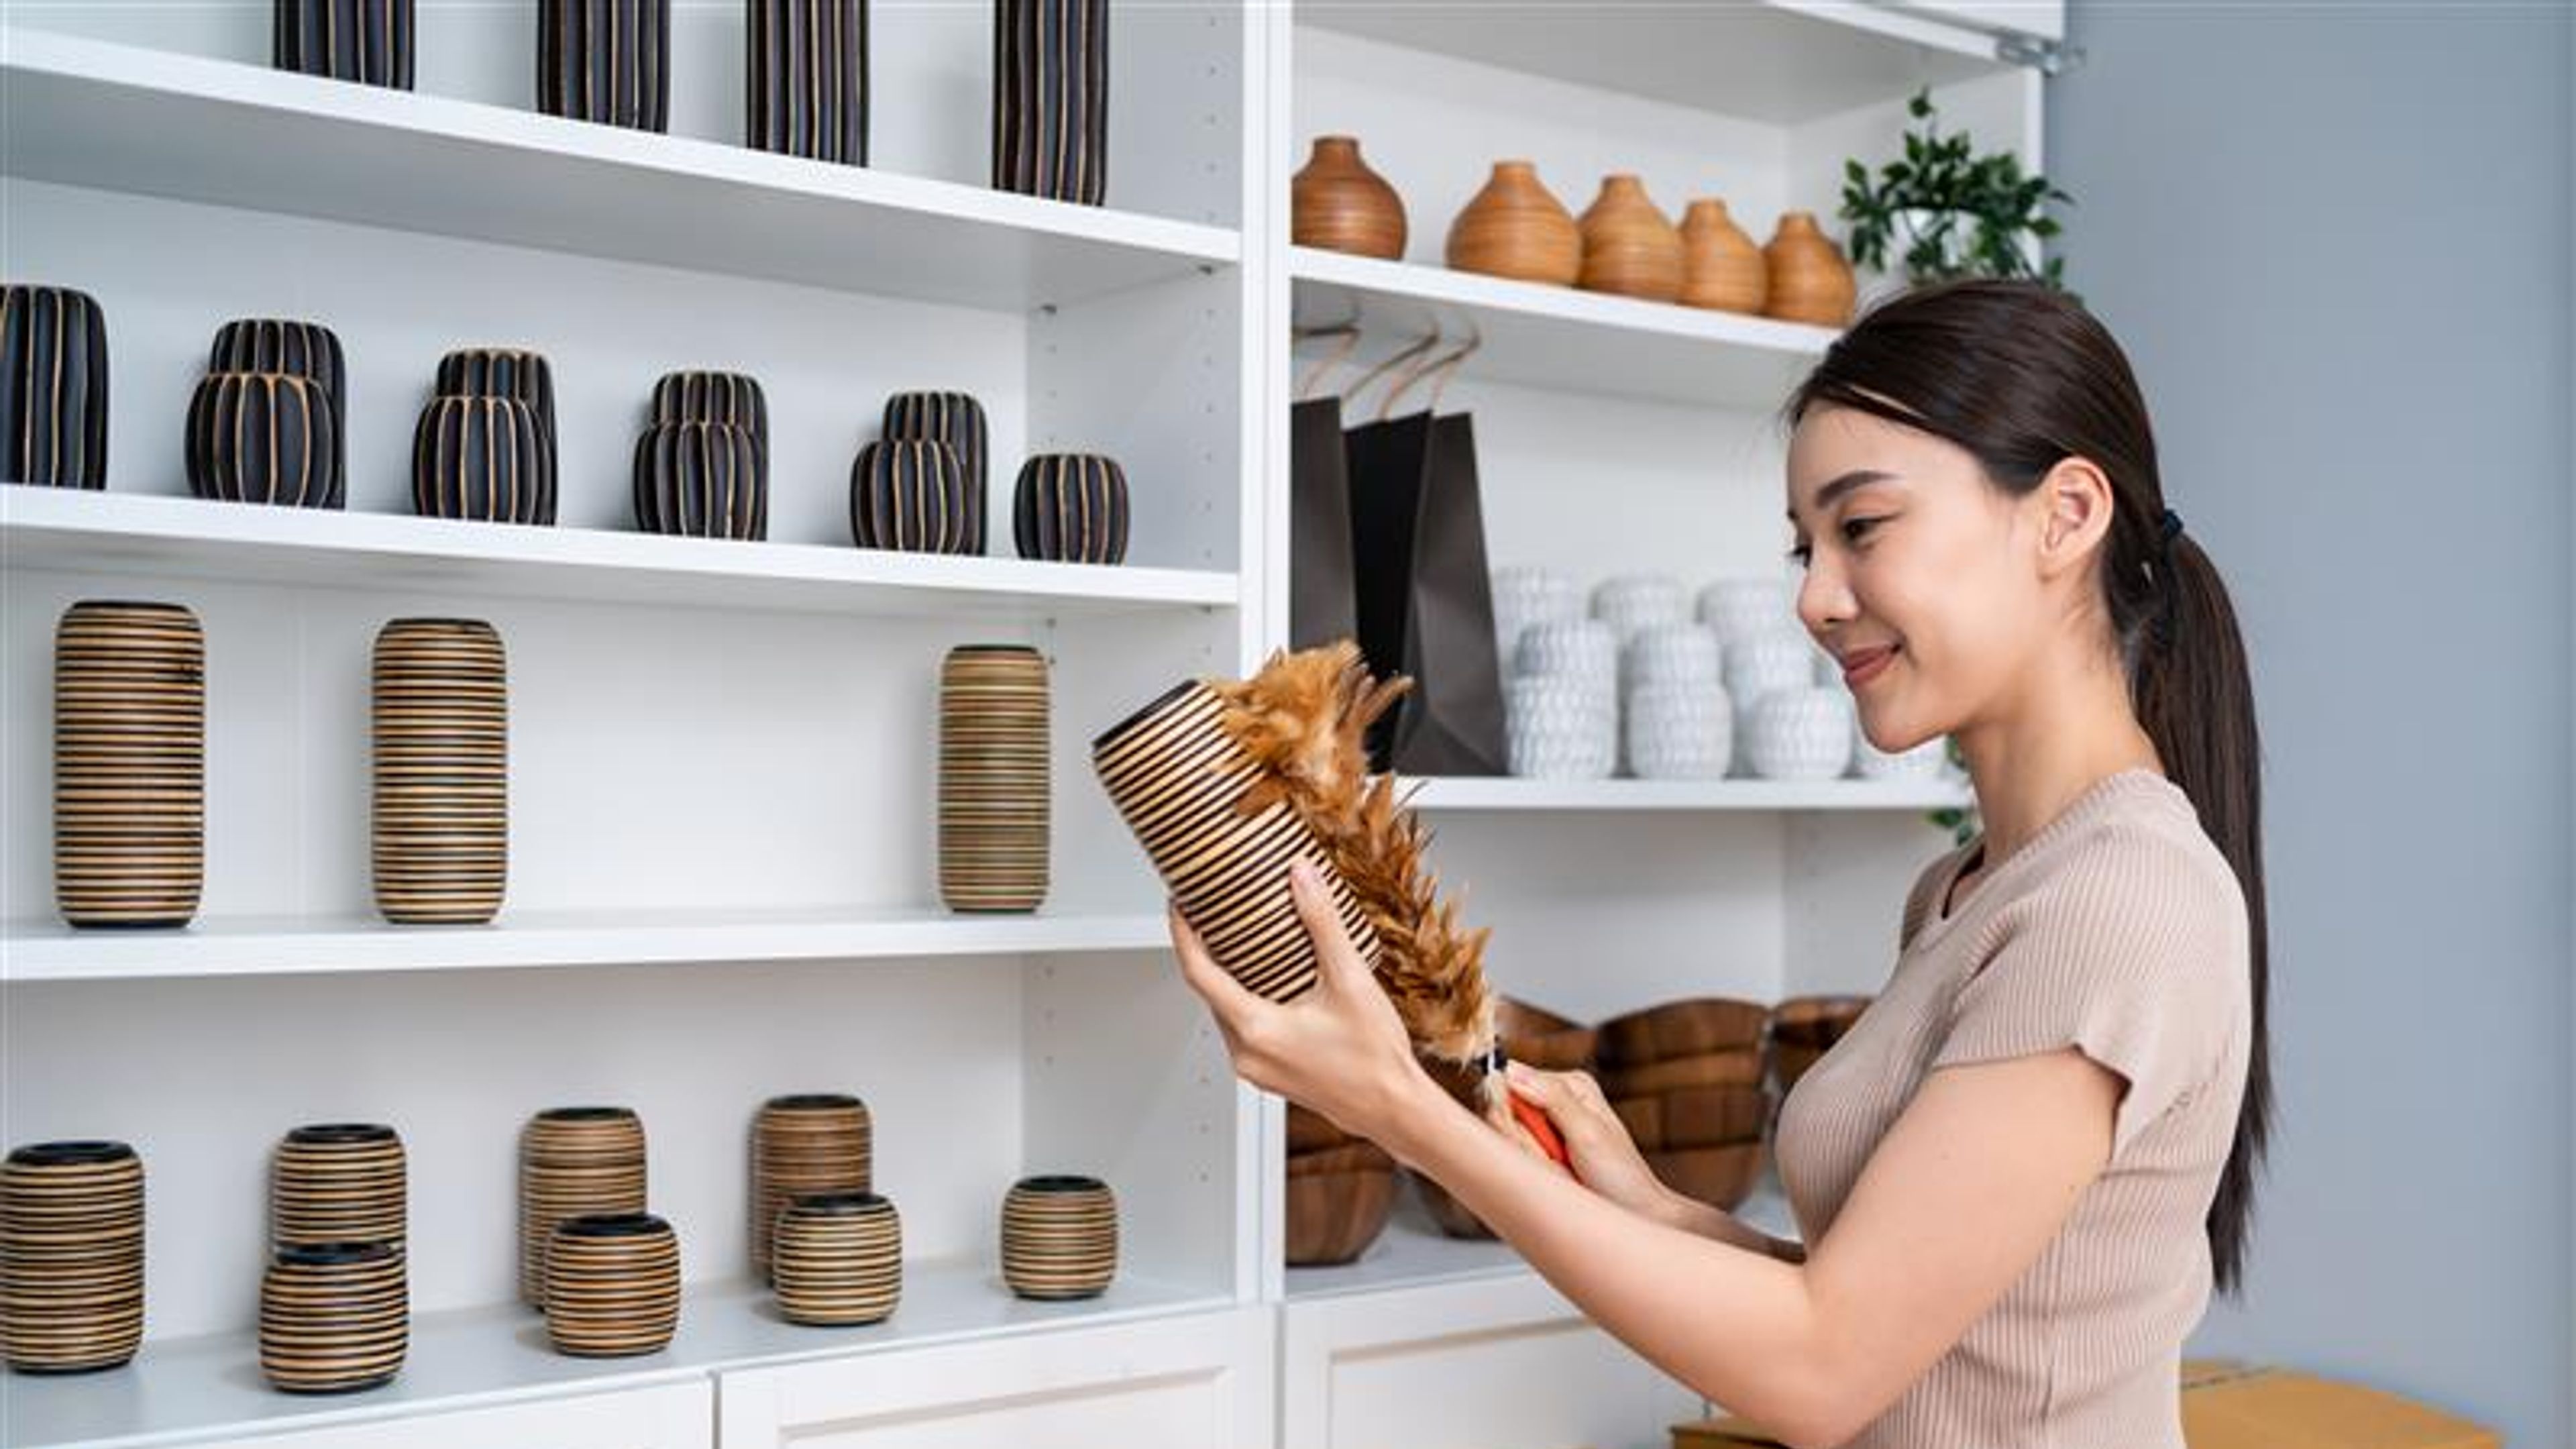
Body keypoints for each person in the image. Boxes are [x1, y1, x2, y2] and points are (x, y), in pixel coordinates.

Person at [1170, 278, 2271, 1449]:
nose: (1814, 596)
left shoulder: (2120, 901)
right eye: (1806, 547)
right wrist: (1646, 1204)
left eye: (1862, 527)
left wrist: (1397, 1109)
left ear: (2065, 515)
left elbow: (1821, 1368)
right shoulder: (1967, 892)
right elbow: (1906, 1326)